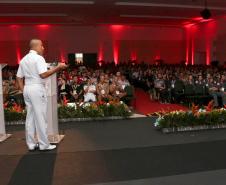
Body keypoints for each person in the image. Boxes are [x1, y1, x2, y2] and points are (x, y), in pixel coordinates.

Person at [16, 39, 67, 151]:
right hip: (37, 89)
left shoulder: (24, 59)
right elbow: (43, 75)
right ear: (36, 46)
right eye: (42, 46)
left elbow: (19, 77)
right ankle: (44, 144)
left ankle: (31, 144)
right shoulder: (39, 58)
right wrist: (58, 67)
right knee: (41, 117)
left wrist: (23, 89)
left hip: (27, 89)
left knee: (30, 118)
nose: (43, 48)